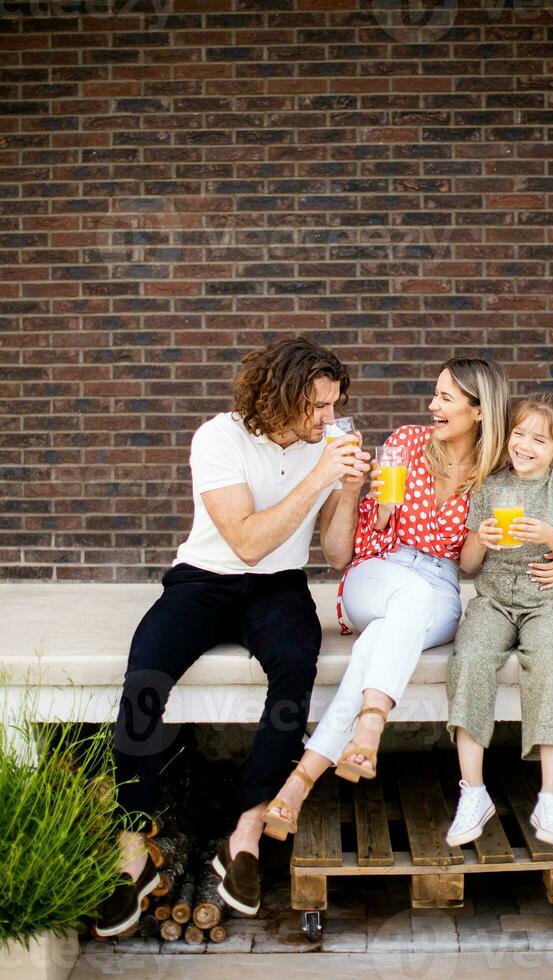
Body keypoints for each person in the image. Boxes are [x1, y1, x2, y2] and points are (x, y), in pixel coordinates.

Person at [95, 337, 370, 935]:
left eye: (334, 405)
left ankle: (245, 833)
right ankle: (133, 850)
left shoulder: (325, 446)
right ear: (279, 396)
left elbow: (337, 552)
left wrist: (345, 488)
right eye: (316, 406)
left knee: (296, 668)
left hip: (278, 588)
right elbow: (245, 542)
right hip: (204, 581)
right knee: (144, 678)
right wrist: (320, 472)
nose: (328, 419)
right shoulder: (217, 438)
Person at [261, 357, 515, 841]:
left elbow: (466, 565)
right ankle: (372, 726)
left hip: (440, 587)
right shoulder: (407, 442)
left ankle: (297, 784)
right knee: (405, 598)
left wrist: (483, 537)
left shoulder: (497, 473)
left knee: (375, 644)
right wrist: (381, 507)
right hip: (379, 571)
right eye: (435, 394)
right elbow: (369, 537)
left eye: (445, 397)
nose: (432, 404)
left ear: (480, 411)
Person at [445, 392, 553, 851]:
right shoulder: (490, 486)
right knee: (469, 658)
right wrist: (482, 538)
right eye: (519, 433)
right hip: (493, 601)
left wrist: (552, 536)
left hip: (545, 603)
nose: (524, 444)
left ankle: (551, 796)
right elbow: (469, 564)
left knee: (551, 663)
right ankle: (473, 792)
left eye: (539, 439)